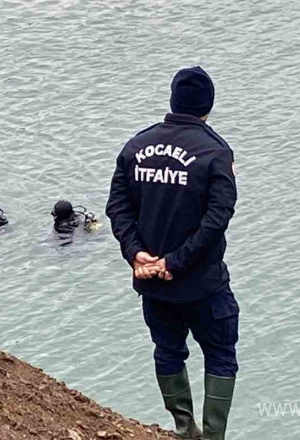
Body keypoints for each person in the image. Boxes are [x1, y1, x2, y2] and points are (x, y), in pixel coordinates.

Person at [105, 66, 239, 440]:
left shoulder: (135, 147)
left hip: (153, 283)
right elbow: (217, 219)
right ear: (208, 105)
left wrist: (137, 255)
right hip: (202, 283)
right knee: (221, 355)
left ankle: (184, 429)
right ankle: (212, 437)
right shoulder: (215, 152)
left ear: (172, 100)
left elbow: (117, 207)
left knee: (168, 351)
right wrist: (175, 263)